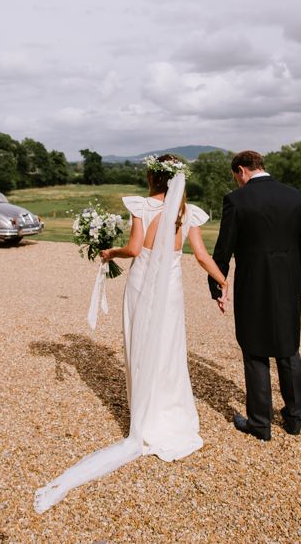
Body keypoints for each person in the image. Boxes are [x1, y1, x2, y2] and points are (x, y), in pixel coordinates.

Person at [34, 154, 228, 514]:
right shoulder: (189, 213)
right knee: (169, 348)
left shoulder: (141, 207)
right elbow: (201, 255)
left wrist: (111, 252)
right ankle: (169, 413)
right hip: (170, 289)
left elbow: (136, 249)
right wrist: (222, 281)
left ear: (153, 178)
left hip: (141, 284)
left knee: (138, 344)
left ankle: (145, 415)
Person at [209, 150, 301, 441]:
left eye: (237, 177)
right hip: (288, 284)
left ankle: (260, 423)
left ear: (241, 171)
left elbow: (224, 248)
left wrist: (218, 285)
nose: (238, 182)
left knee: (254, 349)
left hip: (252, 284)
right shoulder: (294, 196)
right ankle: (294, 418)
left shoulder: (236, 200)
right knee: (288, 348)